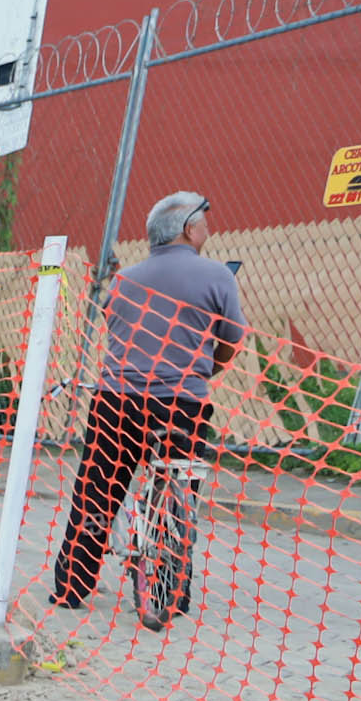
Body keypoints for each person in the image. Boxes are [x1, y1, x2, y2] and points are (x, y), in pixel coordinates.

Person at [50, 190, 246, 609]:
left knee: (97, 489)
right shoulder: (218, 276)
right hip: (182, 405)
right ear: (188, 229)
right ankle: (171, 594)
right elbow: (232, 339)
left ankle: (71, 586)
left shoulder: (124, 280)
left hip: (117, 401)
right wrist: (203, 370)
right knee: (180, 493)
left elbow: (116, 327)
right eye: (204, 222)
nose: (207, 229)